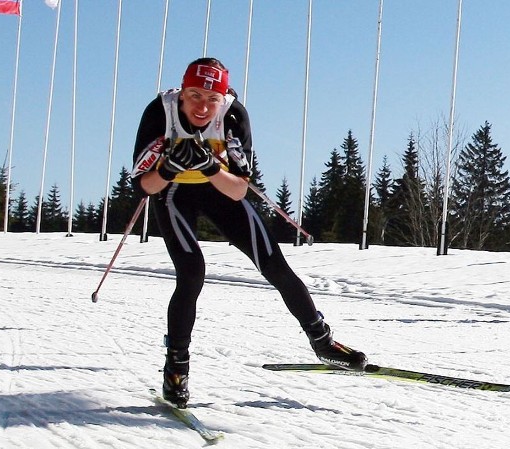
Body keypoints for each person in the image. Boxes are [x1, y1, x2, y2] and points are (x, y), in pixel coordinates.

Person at [131, 57, 367, 408]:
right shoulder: (159, 113)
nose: (203, 106)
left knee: (275, 265)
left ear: (223, 98)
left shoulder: (232, 115)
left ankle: (323, 342)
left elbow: (239, 189)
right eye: (195, 95)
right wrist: (170, 169)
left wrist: (209, 165)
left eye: (213, 98)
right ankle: (176, 369)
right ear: (181, 92)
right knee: (191, 273)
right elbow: (145, 186)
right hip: (174, 193)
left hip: (221, 190)